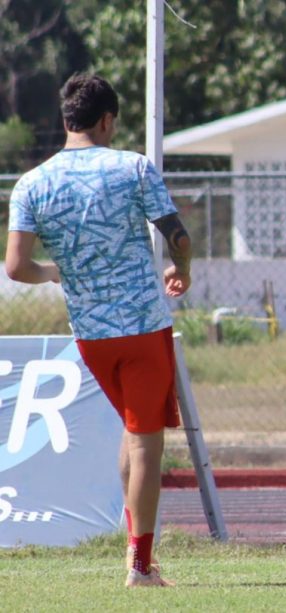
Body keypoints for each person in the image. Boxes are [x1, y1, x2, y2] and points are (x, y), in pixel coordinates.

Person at [5, 73, 192, 586]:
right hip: (142, 326)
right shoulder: (132, 167)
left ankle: (138, 554)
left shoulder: (32, 183)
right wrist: (182, 268)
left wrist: (54, 272)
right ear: (106, 120)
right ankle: (140, 565)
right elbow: (178, 234)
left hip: (90, 336)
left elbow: (16, 267)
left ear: (66, 120)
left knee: (133, 434)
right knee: (147, 444)